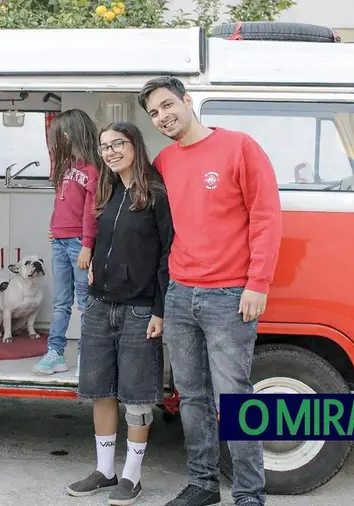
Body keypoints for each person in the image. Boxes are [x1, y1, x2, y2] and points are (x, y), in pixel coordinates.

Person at [138, 76, 282, 506]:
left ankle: (249, 494)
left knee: (234, 396)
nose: (163, 116)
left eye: (167, 105)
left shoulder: (240, 147)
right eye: (154, 113)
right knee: (191, 396)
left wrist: (258, 283)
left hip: (229, 296)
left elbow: (267, 217)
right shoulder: (163, 161)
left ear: (187, 100)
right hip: (181, 294)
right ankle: (203, 484)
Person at [66, 122, 173, 506]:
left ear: (135, 146)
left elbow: (166, 257)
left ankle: (132, 475)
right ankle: (105, 469)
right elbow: (102, 240)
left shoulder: (156, 193)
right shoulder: (105, 190)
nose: (110, 152)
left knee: (138, 397)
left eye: (118, 144)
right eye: (105, 146)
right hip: (99, 304)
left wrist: (160, 310)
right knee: (101, 391)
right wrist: (93, 259)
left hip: (140, 308)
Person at [35, 108, 103, 375]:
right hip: (61, 241)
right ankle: (56, 353)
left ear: (69, 134)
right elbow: (61, 202)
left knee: (85, 301)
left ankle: (88, 355)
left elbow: (92, 211)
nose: (54, 143)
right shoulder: (65, 166)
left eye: (57, 137)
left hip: (78, 244)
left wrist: (87, 245)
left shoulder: (92, 170)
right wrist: (55, 228)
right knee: (61, 301)